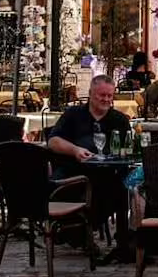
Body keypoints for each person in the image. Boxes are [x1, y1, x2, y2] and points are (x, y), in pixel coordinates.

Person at [47, 75, 135, 260]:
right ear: (90, 94)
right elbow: (53, 141)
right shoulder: (74, 114)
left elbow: (127, 150)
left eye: (109, 96)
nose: (106, 99)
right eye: (102, 95)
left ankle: (121, 243)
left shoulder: (119, 120)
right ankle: (75, 230)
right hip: (73, 172)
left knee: (121, 188)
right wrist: (75, 150)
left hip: (105, 174)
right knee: (65, 187)